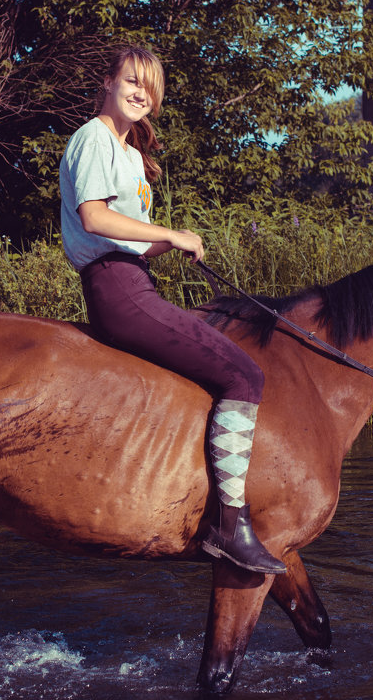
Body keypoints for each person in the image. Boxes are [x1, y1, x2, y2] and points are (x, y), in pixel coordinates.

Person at [58, 46, 286, 576]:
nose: (141, 93)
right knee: (245, 375)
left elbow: (132, 239)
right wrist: (168, 232)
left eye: (150, 87)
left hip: (136, 277)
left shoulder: (132, 155)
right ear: (109, 82)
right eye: (132, 81)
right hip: (115, 288)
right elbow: (94, 219)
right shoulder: (93, 138)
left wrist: (174, 245)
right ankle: (229, 526)